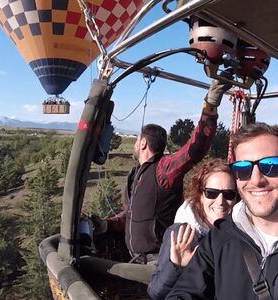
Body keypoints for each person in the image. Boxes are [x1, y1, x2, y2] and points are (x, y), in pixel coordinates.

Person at [107, 75, 232, 261]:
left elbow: (195, 148)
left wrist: (210, 105)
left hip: (158, 259)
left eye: (136, 141)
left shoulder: (162, 169)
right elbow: (133, 214)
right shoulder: (137, 174)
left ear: (142, 143)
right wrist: (107, 224)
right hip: (136, 258)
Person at [165, 122, 278, 300]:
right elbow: (185, 293)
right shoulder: (218, 239)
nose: (256, 180)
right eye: (243, 168)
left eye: (271, 165)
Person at [147, 158, 238, 299]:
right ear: (200, 195)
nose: (220, 201)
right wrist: (176, 266)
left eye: (229, 194)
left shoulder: (238, 235)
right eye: (211, 193)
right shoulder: (181, 234)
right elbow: (156, 292)